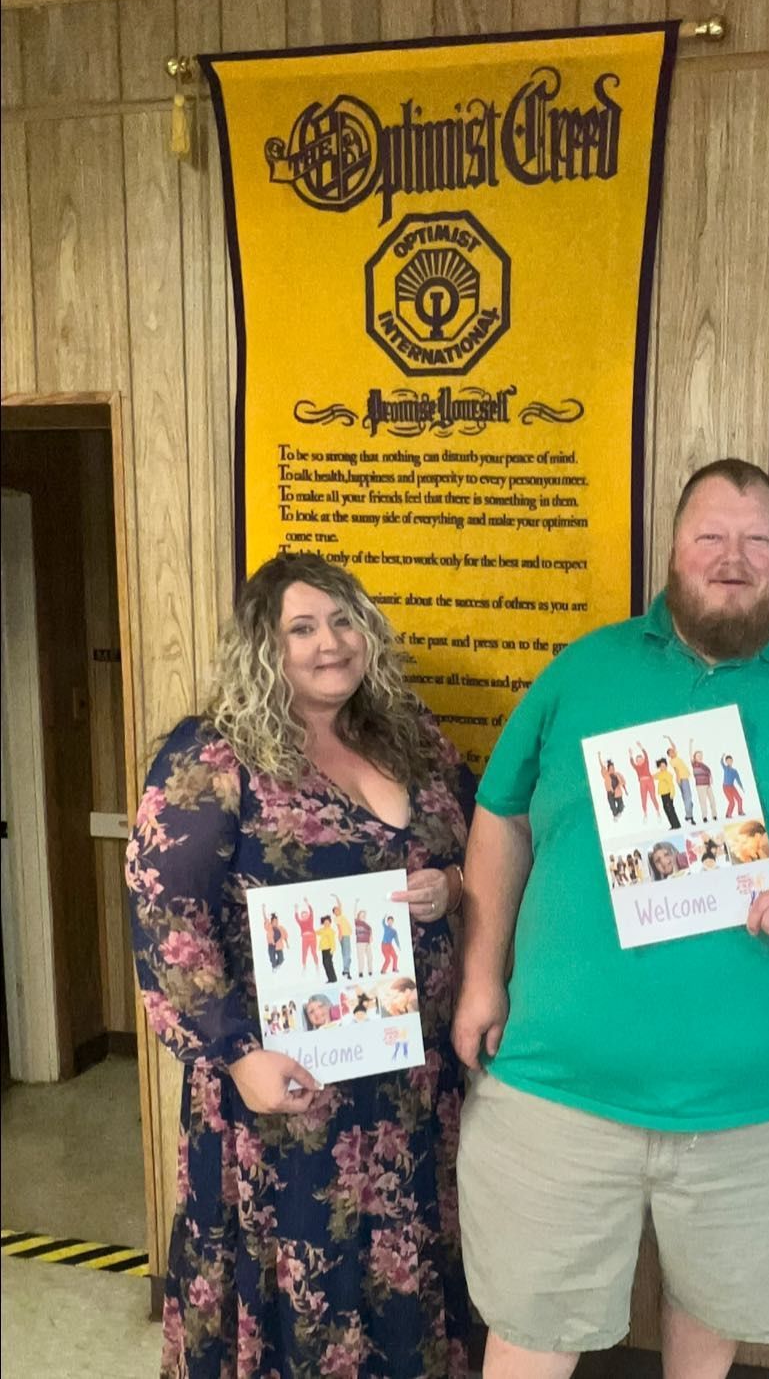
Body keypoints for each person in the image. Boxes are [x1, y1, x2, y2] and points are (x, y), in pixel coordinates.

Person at [452, 459, 769, 1379]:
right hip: (556, 1087)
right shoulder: (585, 667)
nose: (734, 558)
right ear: (673, 554)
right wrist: (481, 975)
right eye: (711, 538)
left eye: (758, 539)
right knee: (529, 1325)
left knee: (712, 1324)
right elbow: (501, 813)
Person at [126, 551, 473, 1378]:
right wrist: (239, 1057)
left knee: (404, 1270)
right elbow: (166, 915)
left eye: (344, 620)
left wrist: (453, 887)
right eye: (304, 628)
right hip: (282, 1090)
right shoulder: (213, 755)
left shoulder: (410, 734)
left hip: (408, 1085)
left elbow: (483, 838)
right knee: (299, 1277)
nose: (331, 643)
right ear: (264, 648)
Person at [664, 735, 697, 824]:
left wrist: (668, 738)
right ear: (669, 755)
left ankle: (688, 815)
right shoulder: (672, 761)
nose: (673, 752)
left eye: (673, 751)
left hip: (684, 778)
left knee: (687, 798)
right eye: (670, 752)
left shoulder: (676, 756)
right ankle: (690, 817)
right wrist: (679, 780)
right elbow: (676, 770)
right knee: (688, 798)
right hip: (682, 779)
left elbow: (674, 746)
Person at [690, 743, 718, 822]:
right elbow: (690, 753)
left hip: (708, 785)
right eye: (698, 755)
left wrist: (711, 779)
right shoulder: (694, 764)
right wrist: (690, 743)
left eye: (701, 755)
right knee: (703, 801)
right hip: (700, 786)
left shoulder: (704, 766)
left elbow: (709, 773)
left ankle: (714, 815)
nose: (700, 757)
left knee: (712, 799)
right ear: (695, 757)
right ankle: (704, 817)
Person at [597, 752, 627, 821]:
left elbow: (623, 781)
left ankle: (621, 809)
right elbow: (602, 766)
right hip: (610, 792)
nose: (611, 769)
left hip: (618, 792)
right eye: (610, 768)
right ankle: (615, 815)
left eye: (613, 768)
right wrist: (599, 757)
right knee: (612, 805)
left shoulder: (617, 774)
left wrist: (624, 789)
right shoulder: (606, 775)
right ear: (608, 768)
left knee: (621, 804)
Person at [332, 898, 354, 979]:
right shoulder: (337, 918)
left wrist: (336, 897)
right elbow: (339, 928)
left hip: (346, 936)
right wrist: (340, 936)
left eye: (338, 909)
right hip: (344, 936)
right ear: (334, 913)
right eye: (336, 910)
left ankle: (346, 970)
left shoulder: (341, 915)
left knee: (347, 954)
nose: (338, 910)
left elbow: (340, 905)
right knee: (346, 954)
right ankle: (346, 971)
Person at [317, 913, 339, 983]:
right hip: (323, 949)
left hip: (329, 949)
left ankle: (333, 978)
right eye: (325, 922)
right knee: (325, 964)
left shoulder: (331, 931)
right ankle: (330, 978)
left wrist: (332, 950)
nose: (327, 923)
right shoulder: (322, 930)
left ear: (330, 922)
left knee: (329, 963)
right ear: (323, 923)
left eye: (328, 922)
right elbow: (317, 932)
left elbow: (333, 941)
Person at [354, 906, 374, 976]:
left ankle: (370, 971)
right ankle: (360, 972)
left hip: (367, 942)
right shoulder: (357, 922)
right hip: (360, 942)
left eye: (364, 915)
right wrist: (356, 903)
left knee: (370, 957)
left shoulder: (367, 925)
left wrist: (371, 937)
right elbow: (354, 913)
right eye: (361, 914)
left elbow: (370, 931)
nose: (363, 916)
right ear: (358, 915)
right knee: (361, 958)